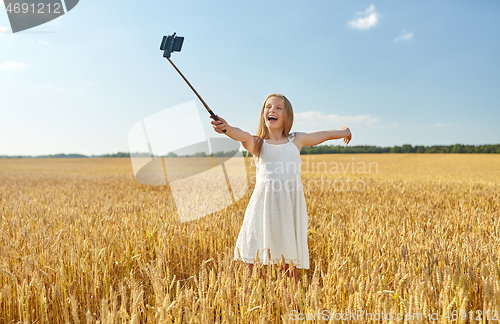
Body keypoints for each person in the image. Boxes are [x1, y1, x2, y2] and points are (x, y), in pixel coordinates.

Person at [210, 93, 351, 284]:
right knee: (254, 263)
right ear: (263, 114)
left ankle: (291, 308)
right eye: (268, 107)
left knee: (289, 265)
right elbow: (239, 134)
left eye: (278, 108)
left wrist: (345, 132)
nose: (272, 110)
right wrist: (225, 128)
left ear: (287, 116)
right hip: (262, 209)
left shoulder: (296, 140)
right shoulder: (257, 143)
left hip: (288, 208)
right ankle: (253, 308)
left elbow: (323, 135)